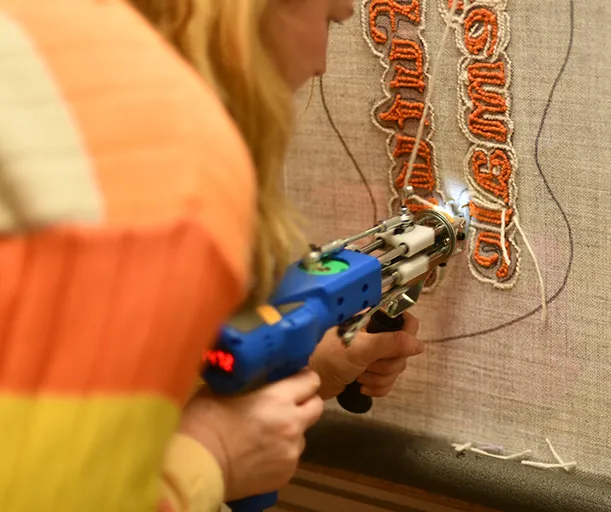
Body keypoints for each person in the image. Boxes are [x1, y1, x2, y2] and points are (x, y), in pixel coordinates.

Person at [0, 1, 424, 511]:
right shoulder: (167, 163)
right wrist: (212, 459)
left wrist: (292, 365)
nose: (322, 65)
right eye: (329, 21)